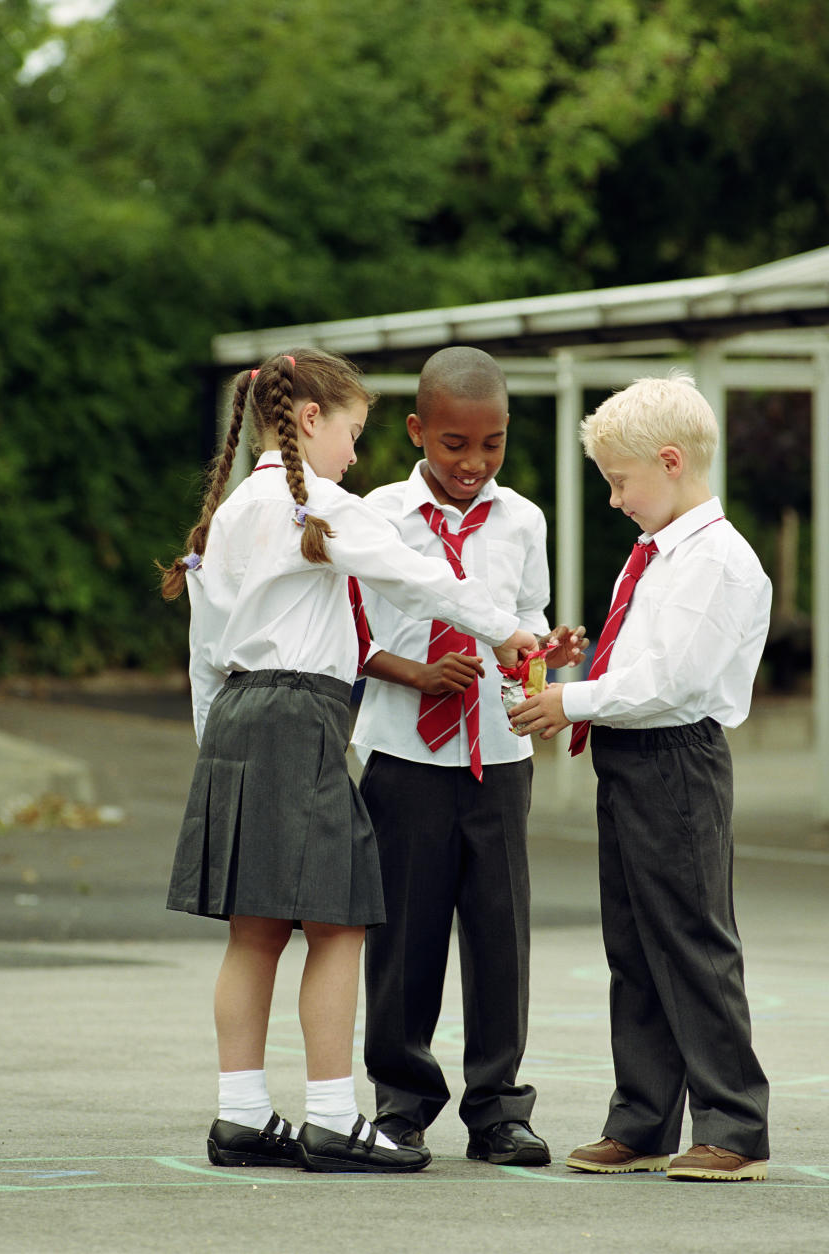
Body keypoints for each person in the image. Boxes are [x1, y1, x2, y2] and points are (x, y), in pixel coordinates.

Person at [159, 348, 537, 1174]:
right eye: (353, 432)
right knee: (339, 923)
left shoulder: (228, 515)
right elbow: (418, 577)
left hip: (235, 718)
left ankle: (242, 1116)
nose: (356, 454)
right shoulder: (319, 507)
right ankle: (333, 1116)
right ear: (308, 420)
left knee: (255, 932)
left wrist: (214, 746)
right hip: (300, 715)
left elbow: (204, 649)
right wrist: (506, 629)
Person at [510, 372, 771, 1182]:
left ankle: (734, 1126)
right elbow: (646, 664)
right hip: (632, 757)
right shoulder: (657, 555)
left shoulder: (714, 561)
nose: (616, 499)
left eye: (620, 482)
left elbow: (673, 681)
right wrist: (584, 673)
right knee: (633, 943)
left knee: (692, 939)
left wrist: (572, 698)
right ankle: (644, 1118)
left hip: (676, 760)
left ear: (668, 462)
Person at [351, 346, 586, 1165]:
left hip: (496, 754)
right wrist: (416, 673)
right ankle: (402, 1103)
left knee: (499, 934)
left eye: (491, 445)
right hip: (403, 756)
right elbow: (347, 636)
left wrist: (546, 653)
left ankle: (498, 1110)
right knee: (404, 936)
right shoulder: (375, 516)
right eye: (454, 444)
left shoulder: (522, 519)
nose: (472, 464)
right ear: (417, 430)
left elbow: (524, 621)